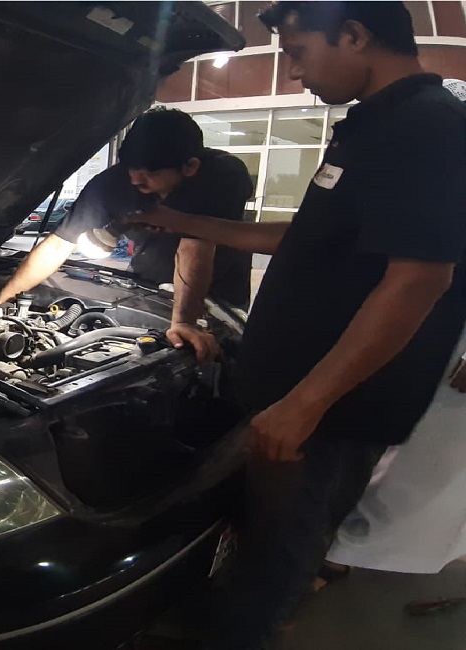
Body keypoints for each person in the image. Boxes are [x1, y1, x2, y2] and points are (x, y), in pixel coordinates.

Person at [129, 3, 466, 648]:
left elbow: (420, 279)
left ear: (355, 35)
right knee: (255, 535)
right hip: (291, 392)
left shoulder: (426, 127)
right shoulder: (371, 124)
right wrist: (181, 222)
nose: (292, 73)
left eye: (298, 52)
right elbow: (305, 238)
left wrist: (306, 404)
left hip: (330, 412)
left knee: (278, 558)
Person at [318, 78, 466, 582]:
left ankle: (348, 553)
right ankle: (348, 545)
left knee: (423, 462)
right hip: (430, 330)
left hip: (456, 351)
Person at [0, 108, 253, 361]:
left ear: (190, 167)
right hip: (149, 283)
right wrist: (0, 305)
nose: (136, 181)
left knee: (212, 362)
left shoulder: (222, 176)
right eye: (130, 168)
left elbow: (193, 250)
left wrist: (184, 322)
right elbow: (58, 245)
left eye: (151, 173)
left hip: (215, 295)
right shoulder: (112, 183)